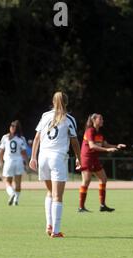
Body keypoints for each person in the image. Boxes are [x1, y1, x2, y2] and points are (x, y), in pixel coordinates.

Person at [29, 92, 81, 238]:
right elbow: (74, 141)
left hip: (43, 157)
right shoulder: (69, 118)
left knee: (50, 193)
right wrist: (78, 157)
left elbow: (37, 137)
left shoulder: (45, 116)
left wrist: (33, 157)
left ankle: (49, 225)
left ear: (52, 101)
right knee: (58, 196)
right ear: (67, 102)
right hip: (57, 158)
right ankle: (56, 231)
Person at [78, 113, 126, 213]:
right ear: (94, 120)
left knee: (103, 179)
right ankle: (81, 207)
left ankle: (102, 205)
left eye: (102, 119)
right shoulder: (90, 130)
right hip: (87, 158)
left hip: (94, 159)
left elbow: (105, 144)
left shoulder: (99, 133)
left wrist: (117, 146)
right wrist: (107, 150)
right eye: (100, 119)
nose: (102, 120)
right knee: (86, 181)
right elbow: (91, 146)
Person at [0, 120, 28, 206]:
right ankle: (16, 200)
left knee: (7, 181)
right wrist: (26, 163)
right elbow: (24, 153)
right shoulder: (22, 138)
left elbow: (1, 151)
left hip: (8, 161)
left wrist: (0, 161)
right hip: (19, 161)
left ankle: (11, 194)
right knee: (18, 183)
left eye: (12, 126)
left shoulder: (5, 137)